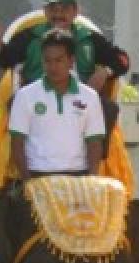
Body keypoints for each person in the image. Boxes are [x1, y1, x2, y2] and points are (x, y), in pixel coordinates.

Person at [0, 0, 129, 93]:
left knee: (109, 113)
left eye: (65, 9)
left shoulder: (89, 39)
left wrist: (104, 72)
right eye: (53, 9)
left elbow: (122, 60)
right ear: (45, 10)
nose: (58, 14)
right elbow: (4, 59)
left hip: (81, 104)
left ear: (76, 11)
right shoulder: (30, 36)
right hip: (37, 103)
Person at [8, 28, 106, 180]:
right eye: (48, 60)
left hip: (77, 176)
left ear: (71, 61)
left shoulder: (90, 97)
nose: (53, 67)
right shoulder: (25, 96)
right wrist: (28, 183)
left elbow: (94, 143)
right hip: (37, 176)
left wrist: (91, 180)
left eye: (59, 60)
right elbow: (17, 143)